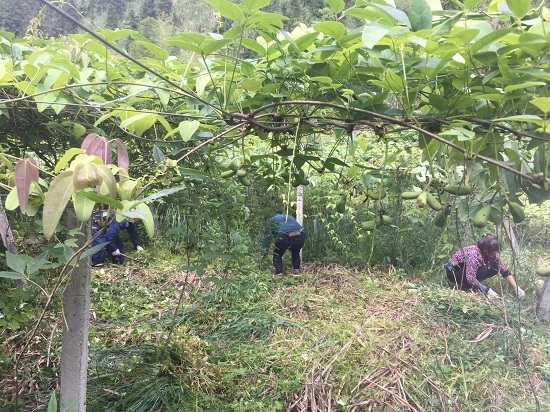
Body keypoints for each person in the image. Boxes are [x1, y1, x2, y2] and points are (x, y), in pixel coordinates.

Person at [445, 234, 525, 299]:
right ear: (485, 250)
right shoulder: (474, 255)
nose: (495, 253)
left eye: (496, 251)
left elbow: (503, 269)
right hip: (453, 271)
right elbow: (470, 277)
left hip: (466, 269)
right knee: (483, 270)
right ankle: (465, 285)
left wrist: (516, 288)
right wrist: (488, 291)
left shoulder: (493, 254)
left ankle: (474, 285)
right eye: (493, 251)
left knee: (495, 268)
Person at [262, 211, 306, 276]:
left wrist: (264, 254)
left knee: (278, 253)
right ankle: (296, 270)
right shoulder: (289, 217)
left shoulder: (273, 220)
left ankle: (279, 273)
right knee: (296, 251)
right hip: (301, 234)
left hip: (284, 235)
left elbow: (267, 238)